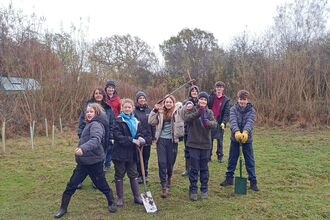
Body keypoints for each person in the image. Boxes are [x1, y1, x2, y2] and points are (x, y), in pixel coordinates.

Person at [54, 103, 117, 218]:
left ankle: (111, 202)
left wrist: (82, 149)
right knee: (71, 185)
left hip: (94, 163)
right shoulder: (89, 124)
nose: (88, 113)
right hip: (83, 163)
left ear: (97, 113)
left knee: (101, 185)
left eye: (91, 111)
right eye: (87, 112)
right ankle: (63, 208)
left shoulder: (96, 125)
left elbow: (95, 140)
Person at [219, 90, 259, 191]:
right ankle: (229, 178)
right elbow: (233, 121)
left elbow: (250, 121)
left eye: (244, 100)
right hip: (235, 139)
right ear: (238, 99)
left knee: (249, 160)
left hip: (247, 140)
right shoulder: (233, 109)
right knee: (232, 159)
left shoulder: (251, 110)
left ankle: (253, 181)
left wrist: (245, 132)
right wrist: (236, 132)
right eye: (241, 99)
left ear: (247, 100)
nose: (242, 102)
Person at [181, 92, 217, 201]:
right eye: (201, 99)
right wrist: (198, 113)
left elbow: (215, 124)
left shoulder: (209, 112)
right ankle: (193, 190)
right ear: (198, 100)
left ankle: (204, 190)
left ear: (207, 102)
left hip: (206, 145)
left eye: (205, 100)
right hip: (193, 144)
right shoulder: (192, 109)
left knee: (204, 169)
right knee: (194, 169)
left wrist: (208, 123)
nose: (203, 101)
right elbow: (186, 119)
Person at [148, 95, 184, 198]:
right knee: (162, 163)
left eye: (170, 102)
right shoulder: (160, 112)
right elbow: (151, 122)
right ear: (164, 103)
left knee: (170, 163)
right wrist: (154, 110)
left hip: (173, 141)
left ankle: (169, 177)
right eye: (166, 102)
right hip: (161, 141)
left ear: (173, 103)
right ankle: (164, 186)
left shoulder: (178, 111)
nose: (168, 104)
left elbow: (182, 108)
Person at [112, 98, 145, 207]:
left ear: (132, 109)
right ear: (122, 108)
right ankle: (120, 198)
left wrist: (140, 138)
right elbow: (117, 136)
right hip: (120, 153)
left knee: (133, 174)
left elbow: (140, 132)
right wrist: (131, 140)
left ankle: (137, 197)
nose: (127, 109)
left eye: (129, 107)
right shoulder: (118, 120)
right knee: (119, 174)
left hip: (132, 153)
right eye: (125, 107)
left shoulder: (136, 121)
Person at [77, 88, 115, 176]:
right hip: (87, 135)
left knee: (99, 157)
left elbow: (111, 124)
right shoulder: (87, 106)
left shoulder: (108, 108)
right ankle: (79, 176)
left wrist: (111, 136)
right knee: (85, 155)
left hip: (103, 136)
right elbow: (82, 121)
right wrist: (80, 133)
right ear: (93, 95)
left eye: (100, 93)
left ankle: (97, 178)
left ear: (103, 95)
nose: (98, 95)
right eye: (96, 93)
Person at [133, 91, 155, 184]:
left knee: (146, 157)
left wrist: (153, 136)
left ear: (145, 100)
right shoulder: (134, 111)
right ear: (137, 100)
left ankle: (145, 175)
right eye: (140, 98)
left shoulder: (149, 110)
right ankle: (138, 175)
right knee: (138, 158)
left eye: (143, 98)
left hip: (148, 138)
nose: (142, 99)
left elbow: (153, 124)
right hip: (138, 138)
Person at [208, 81, 230, 163]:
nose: (219, 89)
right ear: (215, 88)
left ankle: (220, 156)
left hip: (220, 122)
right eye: (217, 87)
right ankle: (208, 156)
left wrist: (224, 122)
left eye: (220, 87)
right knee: (209, 140)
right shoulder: (211, 97)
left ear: (223, 89)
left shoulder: (226, 100)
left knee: (220, 140)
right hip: (211, 121)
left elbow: (226, 113)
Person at [181, 85, 200, 176]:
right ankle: (188, 169)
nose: (194, 92)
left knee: (197, 150)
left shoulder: (201, 102)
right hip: (187, 130)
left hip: (198, 130)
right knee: (187, 150)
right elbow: (183, 114)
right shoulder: (185, 102)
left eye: (196, 91)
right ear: (190, 92)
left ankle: (197, 169)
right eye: (192, 91)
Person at [104, 80, 121, 171]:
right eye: (109, 87)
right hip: (103, 122)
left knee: (111, 144)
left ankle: (107, 163)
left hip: (114, 123)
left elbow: (119, 111)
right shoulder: (103, 98)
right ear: (106, 88)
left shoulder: (117, 99)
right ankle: (101, 161)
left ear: (114, 89)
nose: (110, 89)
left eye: (112, 88)